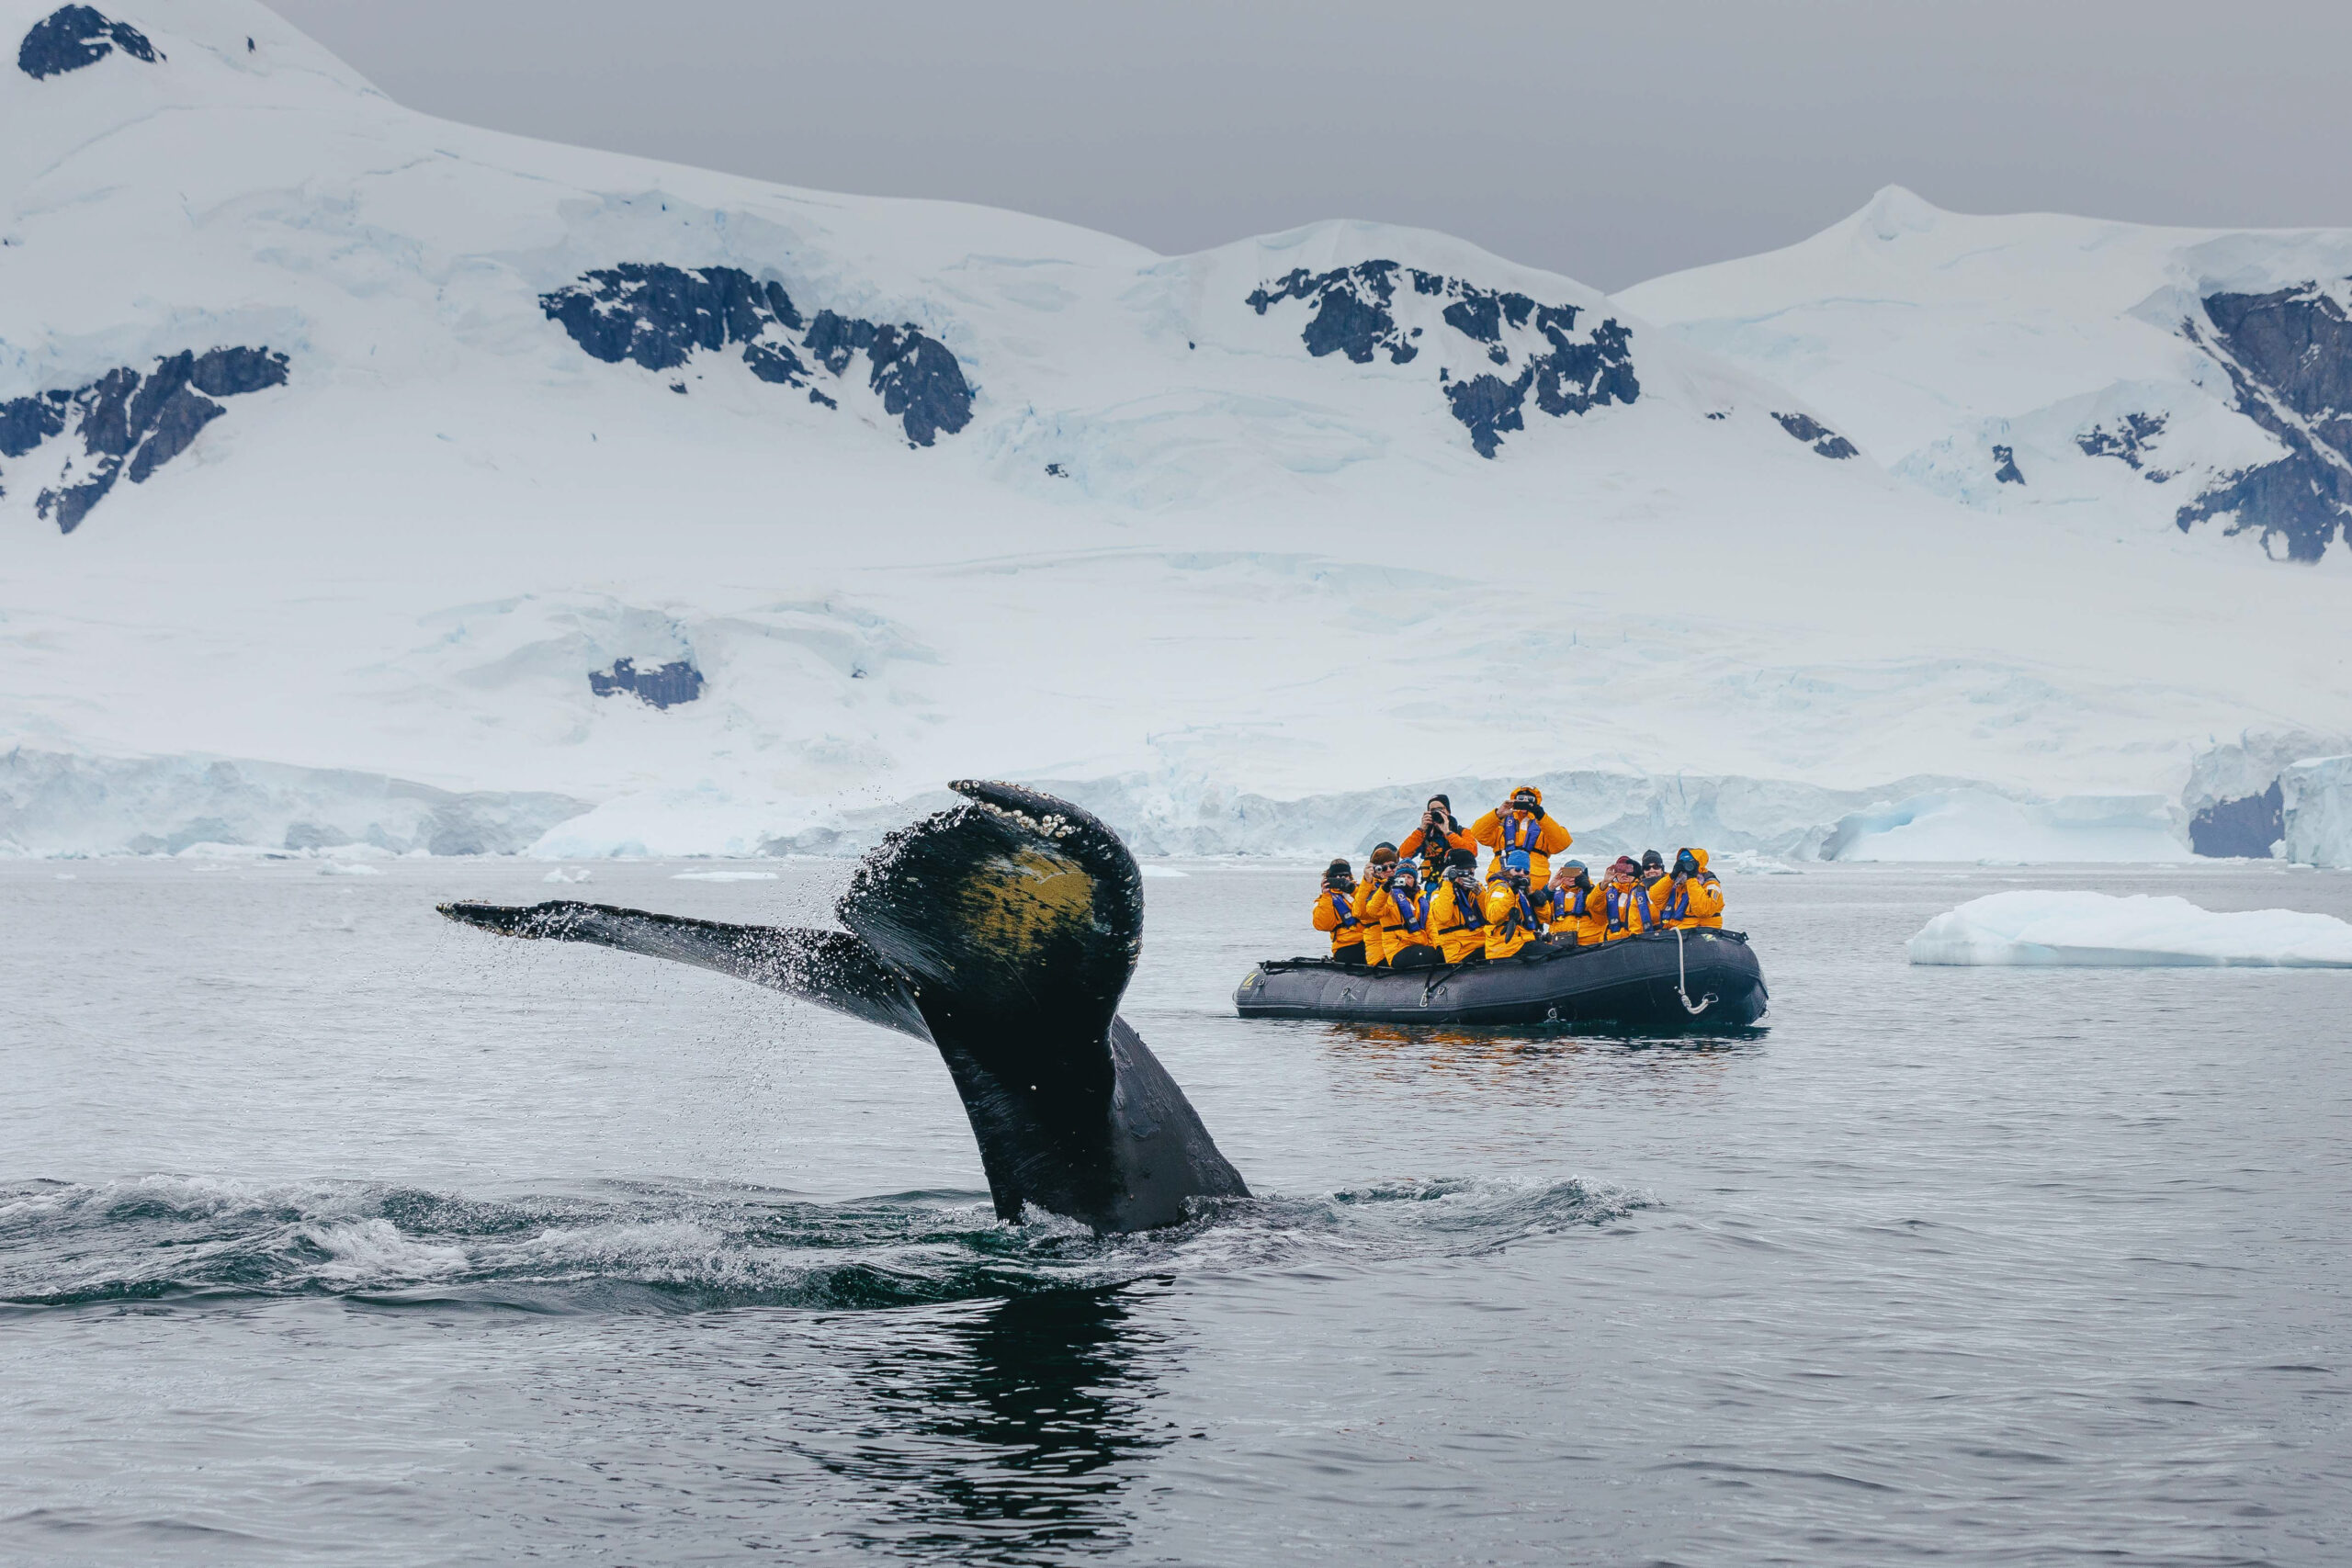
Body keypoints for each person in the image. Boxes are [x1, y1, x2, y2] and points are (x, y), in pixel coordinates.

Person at [1470, 785, 1573, 885]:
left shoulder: (1545, 825)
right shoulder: (1500, 824)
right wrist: (1498, 814)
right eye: (1521, 799)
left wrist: (1541, 816)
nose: (1525, 802)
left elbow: (1562, 844)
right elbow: (1477, 834)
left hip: (1534, 883)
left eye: (1529, 799)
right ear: (1514, 800)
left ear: (1536, 802)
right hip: (1501, 879)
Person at [1363, 861, 1441, 969]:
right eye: (1402, 877)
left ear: (1415, 880)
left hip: (1419, 944)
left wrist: (1438, 946)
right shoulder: (1390, 897)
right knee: (1428, 955)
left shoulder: (1421, 900)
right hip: (1397, 949)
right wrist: (1384, 890)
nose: (1406, 880)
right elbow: (1373, 911)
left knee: (1441, 953)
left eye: (1409, 877)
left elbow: (1431, 928)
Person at [1481, 850, 1556, 961]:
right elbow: (1493, 916)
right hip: (1505, 945)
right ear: (1508, 869)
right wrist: (1512, 892)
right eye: (1517, 869)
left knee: (1558, 950)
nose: (1521, 873)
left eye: (1526, 871)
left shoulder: (1525, 890)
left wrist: (1541, 904)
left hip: (1523, 940)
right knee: (1556, 954)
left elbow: (1543, 919)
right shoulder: (1500, 888)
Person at [1427, 848, 1490, 964]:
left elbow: (1490, 917)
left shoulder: (1476, 889)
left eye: (1472, 872)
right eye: (1465, 872)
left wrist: (1480, 894)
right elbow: (1443, 917)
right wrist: (1447, 884)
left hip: (1481, 942)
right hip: (1459, 950)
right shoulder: (1439, 893)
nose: (1469, 877)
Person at [1399, 794, 1476, 883]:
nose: (1437, 812)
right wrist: (1421, 830)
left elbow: (1472, 852)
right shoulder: (1424, 835)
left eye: (1440, 809)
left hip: (1457, 883)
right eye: (1432, 810)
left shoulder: (1461, 832)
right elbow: (1404, 854)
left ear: (1448, 811)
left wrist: (1448, 833)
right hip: (1432, 885)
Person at [1311, 859, 1368, 964]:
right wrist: (1326, 896)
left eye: (1344, 875)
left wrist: (1353, 891)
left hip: (1370, 940)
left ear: (1350, 877)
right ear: (1329, 878)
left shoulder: (1361, 891)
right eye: (1336, 876)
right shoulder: (1323, 900)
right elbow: (1324, 925)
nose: (1340, 879)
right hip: (1346, 945)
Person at [1655, 847, 1725, 930]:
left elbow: (1704, 911)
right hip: (1679, 930)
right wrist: (1672, 875)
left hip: (1701, 930)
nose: (1685, 866)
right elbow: (1656, 898)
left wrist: (1692, 878)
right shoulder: (1678, 882)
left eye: (1689, 862)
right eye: (1682, 862)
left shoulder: (1711, 883)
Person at [1357, 842, 1401, 964]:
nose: (1389, 871)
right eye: (1383, 867)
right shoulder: (1367, 887)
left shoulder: (1404, 883)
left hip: (1402, 942)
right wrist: (1367, 881)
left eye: (1392, 866)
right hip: (1379, 946)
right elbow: (1360, 913)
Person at [1548, 859, 1605, 947]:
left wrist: (1588, 889)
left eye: (1576, 874)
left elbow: (1600, 912)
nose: (1571, 878)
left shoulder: (1595, 893)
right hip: (1559, 944)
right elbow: (1543, 916)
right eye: (1567, 873)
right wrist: (1550, 888)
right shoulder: (1555, 895)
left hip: (1587, 944)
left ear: (1584, 875)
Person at [1600, 855, 1654, 942]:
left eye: (1628, 870)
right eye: (1620, 870)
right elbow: (1592, 906)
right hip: (1611, 941)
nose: (1624, 874)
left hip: (1636, 940)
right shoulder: (1606, 892)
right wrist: (1604, 884)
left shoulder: (1644, 890)